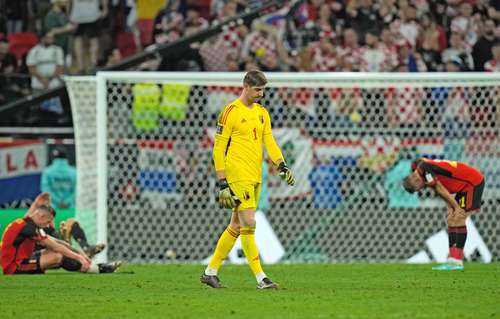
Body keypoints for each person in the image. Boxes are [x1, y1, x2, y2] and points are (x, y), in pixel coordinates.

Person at [200, 70, 295, 289]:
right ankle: (261, 278)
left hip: (255, 174)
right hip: (237, 174)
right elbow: (218, 148)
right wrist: (222, 181)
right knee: (249, 223)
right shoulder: (230, 111)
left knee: (235, 225)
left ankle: (210, 272)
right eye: (257, 89)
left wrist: (281, 163)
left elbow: (269, 141)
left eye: (263, 90)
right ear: (246, 86)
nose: (261, 94)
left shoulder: (262, 113)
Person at [1, 193, 120, 275]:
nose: (48, 225)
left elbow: (58, 242)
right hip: (14, 267)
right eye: (48, 222)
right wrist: (79, 257)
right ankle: (96, 268)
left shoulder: (29, 224)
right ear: (41, 216)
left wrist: (80, 253)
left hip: (22, 259)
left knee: (59, 251)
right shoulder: (28, 227)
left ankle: (90, 259)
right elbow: (55, 246)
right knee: (57, 256)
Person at [402, 158, 485, 271]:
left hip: (472, 182)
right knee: (451, 218)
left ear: (416, 180)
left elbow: (439, 188)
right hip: (461, 186)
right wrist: (450, 206)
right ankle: (452, 259)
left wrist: (455, 206)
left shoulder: (425, 170)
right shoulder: (420, 169)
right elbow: (441, 186)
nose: (422, 188)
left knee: (459, 217)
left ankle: (457, 261)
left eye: (420, 188)